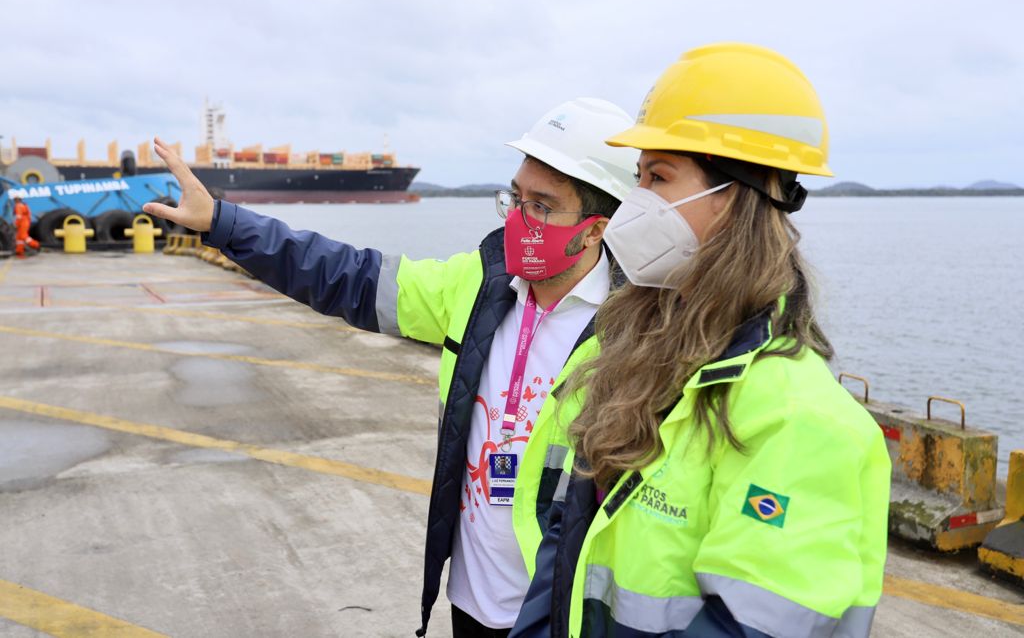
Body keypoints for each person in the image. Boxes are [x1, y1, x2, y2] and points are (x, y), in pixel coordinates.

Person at [142, 97, 638, 637]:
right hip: (469, 602)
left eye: (542, 207)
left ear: (596, 229)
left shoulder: (633, 337)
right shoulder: (476, 286)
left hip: (554, 615)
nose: (518, 219)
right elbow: (348, 276)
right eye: (515, 198)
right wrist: (224, 223)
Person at [511, 43, 891, 638]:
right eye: (638, 176)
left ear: (739, 197)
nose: (635, 202)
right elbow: (568, 557)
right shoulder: (634, 354)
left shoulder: (800, 421)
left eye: (658, 177)